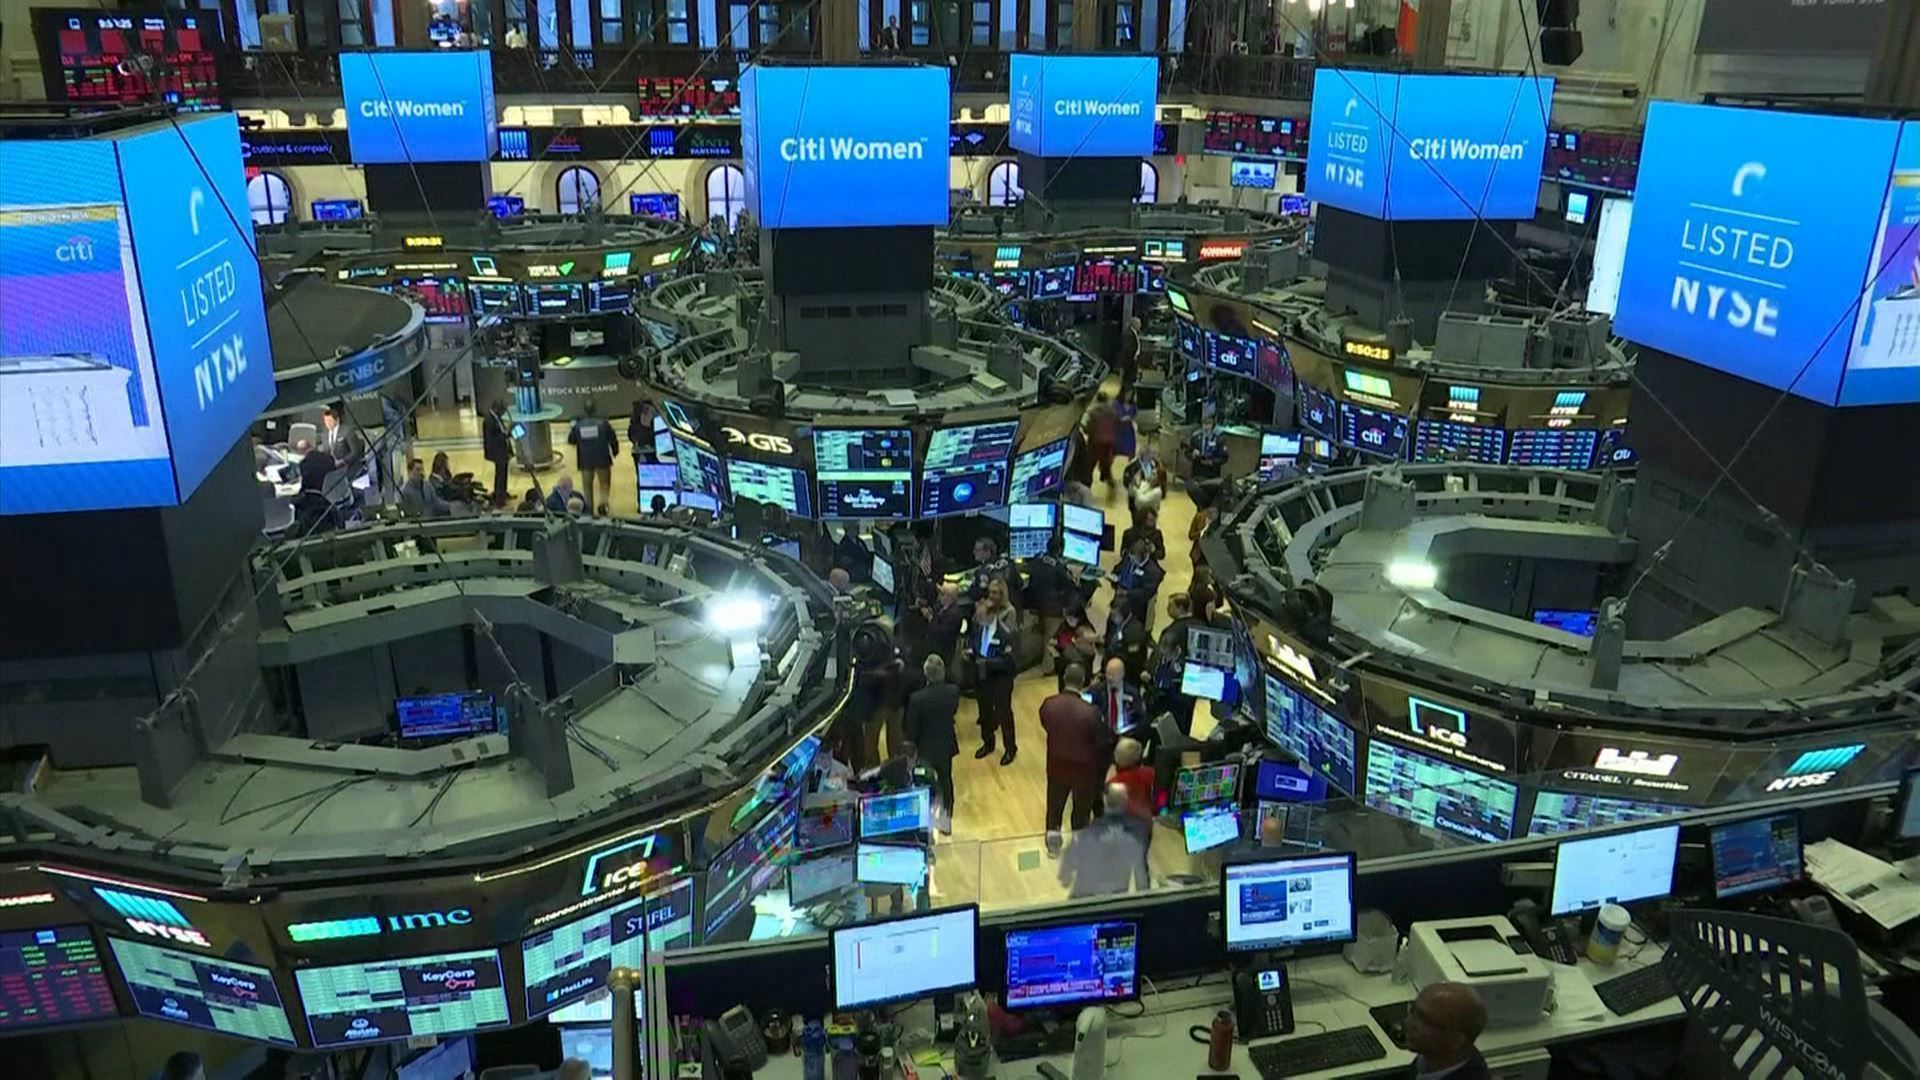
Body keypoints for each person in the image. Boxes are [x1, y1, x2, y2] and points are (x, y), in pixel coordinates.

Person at [1041, 663, 1113, 849]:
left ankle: (1053, 844)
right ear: (1083, 681)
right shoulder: (1091, 712)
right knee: (1081, 811)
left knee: (1054, 807)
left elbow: (1046, 724)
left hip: (1056, 764)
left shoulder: (1048, 704)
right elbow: (1101, 739)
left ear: (1064, 678)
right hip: (1084, 770)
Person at [1057, 784, 1151, 898]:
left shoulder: (1085, 835)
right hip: (1114, 900)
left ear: (1104, 800)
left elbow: (1066, 872)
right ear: (1126, 801)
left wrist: (1065, 876)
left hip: (1083, 898)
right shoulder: (1134, 839)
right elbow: (1142, 880)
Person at [903, 654, 961, 829]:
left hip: (925, 749)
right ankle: (946, 820)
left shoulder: (917, 699)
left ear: (926, 674)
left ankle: (924, 822)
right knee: (946, 780)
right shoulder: (953, 692)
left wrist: (910, 746)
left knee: (923, 785)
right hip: (945, 745)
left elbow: (912, 729)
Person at [965, 580, 1019, 764]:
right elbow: (973, 642)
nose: (978, 620)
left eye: (981, 617)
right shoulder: (980, 626)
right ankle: (988, 743)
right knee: (985, 711)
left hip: (1001, 678)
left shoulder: (1005, 633)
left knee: (1003, 713)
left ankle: (1010, 748)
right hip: (982, 676)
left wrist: (988, 663)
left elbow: (1010, 661)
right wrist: (971, 652)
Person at [1405, 982, 1492, 1080]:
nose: (1408, 1022)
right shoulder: (1431, 1057)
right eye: (1412, 1009)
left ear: (1455, 1040)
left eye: (1425, 1020)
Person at [1153, 592, 1204, 733]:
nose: (1167, 609)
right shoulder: (1201, 627)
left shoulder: (1171, 631)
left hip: (1172, 689)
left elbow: (1161, 659)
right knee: (1185, 725)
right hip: (1192, 686)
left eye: (1170, 606)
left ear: (1180, 608)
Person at [567, 398, 619, 515]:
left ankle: (589, 511)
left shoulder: (578, 425)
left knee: (587, 487)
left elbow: (571, 440)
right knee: (604, 484)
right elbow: (612, 438)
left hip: (585, 461)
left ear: (584, 410)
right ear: (595, 409)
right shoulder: (603, 423)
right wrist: (615, 451)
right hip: (602, 459)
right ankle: (603, 506)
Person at [1112, 533, 1166, 629]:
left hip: (1136, 606)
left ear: (1144, 556)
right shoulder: (1128, 559)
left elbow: (1146, 593)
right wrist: (1114, 577)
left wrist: (1127, 593)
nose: (1131, 559)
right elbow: (1117, 569)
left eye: (1134, 557)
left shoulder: (1153, 572)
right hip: (1119, 598)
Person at [1088, 656, 1145, 737]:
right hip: (1102, 736)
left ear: (1122, 674)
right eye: (1108, 674)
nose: (1110, 678)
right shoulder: (1097, 691)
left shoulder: (1132, 692)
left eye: (1113, 675)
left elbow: (1140, 718)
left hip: (1126, 736)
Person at [1104, 594, 1151, 688]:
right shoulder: (1115, 622)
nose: (1111, 618)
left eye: (1114, 615)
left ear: (1124, 614)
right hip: (1112, 669)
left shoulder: (1135, 633)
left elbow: (1133, 661)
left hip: (1127, 676)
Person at [965, 536, 1020, 607]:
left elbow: (975, 595)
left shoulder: (982, 572)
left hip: (996, 609)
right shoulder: (1009, 562)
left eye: (977, 550)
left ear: (988, 551)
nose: (974, 552)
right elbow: (1020, 583)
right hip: (1014, 608)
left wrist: (970, 587)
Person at [1123, 443, 1168, 523]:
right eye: (1146, 454)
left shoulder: (1155, 465)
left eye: (1149, 453)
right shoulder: (1132, 466)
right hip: (1135, 505)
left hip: (1148, 509)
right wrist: (1133, 485)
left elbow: (1142, 499)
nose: (1149, 455)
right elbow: (1127, 481)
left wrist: (1137, 490)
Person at [927, 582, 966, 669]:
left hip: (942, 652)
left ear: (950, 597)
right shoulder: (942, 607)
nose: (939, 596)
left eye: (942, 594)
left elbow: (942, 634)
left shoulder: (954, 615)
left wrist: (930, 618)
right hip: (933, 647)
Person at [483, 399, 514, 507]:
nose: (504, 413)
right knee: (500, 475)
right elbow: (493, 439)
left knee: (502, 474)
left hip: (501, 450)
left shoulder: (496, 417)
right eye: (502, 411)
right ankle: (500, 500)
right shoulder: (489, 421)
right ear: (497, 409)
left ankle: (502, 494)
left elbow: (500, 431)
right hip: (496, 452)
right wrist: (506, 433)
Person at [1085, 392, 1120, 485]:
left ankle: (1087, 482)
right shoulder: (1112, 412)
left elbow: (1087, 429)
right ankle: (1108, 479)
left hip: (1095, 442)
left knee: (1090, 464)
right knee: (1106, 462)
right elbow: (1116, 425)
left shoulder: (1092, 413)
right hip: (1108, 442)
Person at [1118, 315, 1143, 401]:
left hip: (1131, 364)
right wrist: (1133, 357)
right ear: (1134, 324)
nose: (1140, 326)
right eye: (1139, 324)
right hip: (1129, 364)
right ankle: (1125, 403)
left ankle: (1126, 401)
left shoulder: (1134, 333)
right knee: (1128, 385)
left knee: (1129, 385)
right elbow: (1126, 350)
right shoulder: (1129, 334)